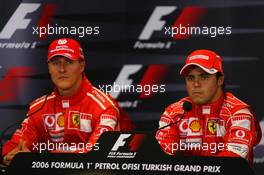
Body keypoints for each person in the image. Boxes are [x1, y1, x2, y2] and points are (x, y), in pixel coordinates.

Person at [2, 38, 132, 165]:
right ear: (49, 68)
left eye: (69, 62)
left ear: (81, 66)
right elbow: (16, 146)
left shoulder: (104, 107)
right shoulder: (39, 108)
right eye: (56, 63)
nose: (62, 69)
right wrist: (8, 157)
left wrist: (40, 161)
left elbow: (96, 157)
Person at [156, 49, 262, 165]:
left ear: (220, 80)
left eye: (204, 77)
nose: (196, 84)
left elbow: (232, 162)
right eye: (190, 78)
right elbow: (159, 158)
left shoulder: (238, 113)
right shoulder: (174, 113)